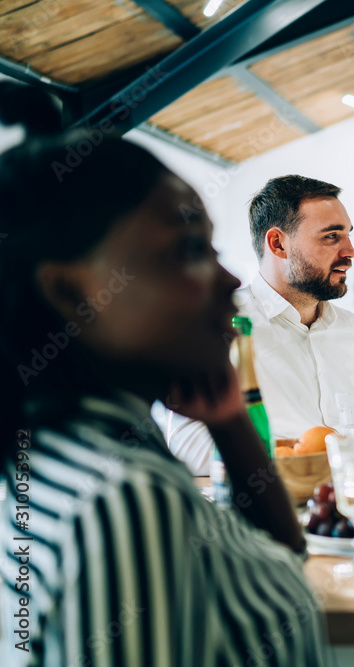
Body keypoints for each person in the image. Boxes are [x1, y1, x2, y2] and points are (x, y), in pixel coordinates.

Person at [0, 84, 329, 665]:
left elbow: (276, 560)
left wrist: (229, 422)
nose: (230, 282)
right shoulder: (121, 501)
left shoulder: (54, 448)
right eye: (188, 250)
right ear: (72, 293)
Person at [158, 175, 354, 476]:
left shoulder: (350, 330)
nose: (351, 252)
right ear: (278, 244)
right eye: (331, 236)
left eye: (348, 235)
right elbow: (190, 449)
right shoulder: (218, 325)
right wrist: (343, 452)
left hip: (351, 511)